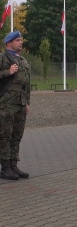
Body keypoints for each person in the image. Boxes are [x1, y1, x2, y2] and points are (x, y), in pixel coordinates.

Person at [0, 31, 30, 180]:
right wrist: (7, 72)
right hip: (5, 104)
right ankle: (5, 167)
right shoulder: (2, 58)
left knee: (17, 135)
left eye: (21, 40)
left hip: (20, 104)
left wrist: (27, 103)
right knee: (5, 135)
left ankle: (13, 165)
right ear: (8, 43)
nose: (21, 42)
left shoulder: (23, 60)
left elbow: (27, 85)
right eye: (17, 40)